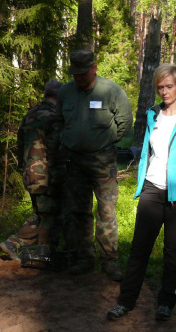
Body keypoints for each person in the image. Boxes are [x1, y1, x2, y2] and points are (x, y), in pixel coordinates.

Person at [106, 63, 176, 321]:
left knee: (173, 250)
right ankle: (126, 301)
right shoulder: (153, 115)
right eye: (160, 87)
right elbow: (149, 154)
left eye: (169, 86)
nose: (164, 91)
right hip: (152, 189)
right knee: (140, 248)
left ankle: (166, 302)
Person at [54, 49, 133, 281]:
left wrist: (105, 140)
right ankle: (84, 259)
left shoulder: (111, 91)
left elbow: (125, 121)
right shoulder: (66, 92)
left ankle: (109, 261)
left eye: (83, 73)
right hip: (74, 160)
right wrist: (66, 141)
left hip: (102, 160)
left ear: (94, 68)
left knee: (106, 210)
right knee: (79, 211)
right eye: (75, 73)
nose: (79, 78)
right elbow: (59, 120)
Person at [0, 79, 65, 260]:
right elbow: (56, 149)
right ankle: (35, 251)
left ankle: (23, 247)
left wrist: (23, 167)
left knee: (42, 213)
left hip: (30, 173)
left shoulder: (30, 114)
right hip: (47, 176)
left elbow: (20, 144)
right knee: (49, 216)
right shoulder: (53, 117)